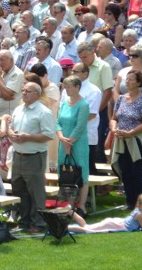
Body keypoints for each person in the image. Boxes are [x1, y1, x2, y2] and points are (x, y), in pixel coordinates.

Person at [8, 82, 55, 233]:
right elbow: (11, 127)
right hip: (18, 155)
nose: (24, 93)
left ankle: (38, 223)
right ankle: (24, 222)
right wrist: (11, 133)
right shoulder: (18, 109)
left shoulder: (44, 112)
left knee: (36, 192)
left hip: (34, 156)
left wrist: (28, 137)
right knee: (19, 190)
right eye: (23, 90)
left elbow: (49, 134)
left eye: (28, 91)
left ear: (37, 94)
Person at [111, 70, 142, 208]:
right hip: (122, 141)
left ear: (139, 83)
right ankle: (130, 202)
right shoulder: (120, 99)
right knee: (126, 172)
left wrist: (131, 132)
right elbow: (114, 118)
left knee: (137, 172)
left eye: (131, 79)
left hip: (136, 141)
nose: (127, 82)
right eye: (126, 79)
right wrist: (114, 129)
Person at [56, 75, 91, 214]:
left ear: (77, 87)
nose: (67, 89)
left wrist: (69, 142)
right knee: (66, 172)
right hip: (63, 142)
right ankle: (69, 204)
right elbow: (58, 122)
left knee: (81, 173)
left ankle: (81, 205)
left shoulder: (83, 105)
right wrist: (61, 138)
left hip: (78, 144)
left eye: (69, 86)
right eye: (65, 87)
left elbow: (80, 126)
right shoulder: (64, 102)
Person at [68, 193, 142, 233]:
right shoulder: (139, 214)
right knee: (88, 230)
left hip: (118, 222)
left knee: (87, 226)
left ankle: (70, 212)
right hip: (116, 225)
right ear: (140, 205)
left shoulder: (139, 211)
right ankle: (65, 227)